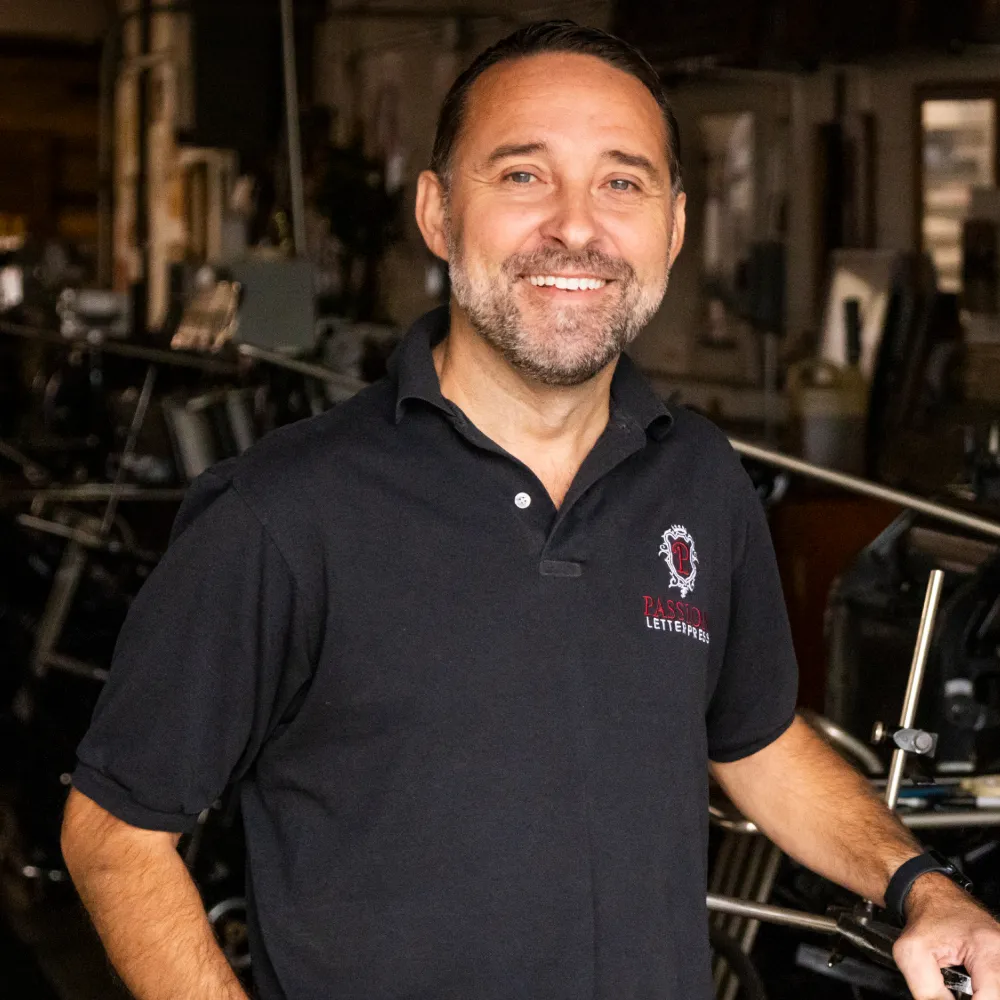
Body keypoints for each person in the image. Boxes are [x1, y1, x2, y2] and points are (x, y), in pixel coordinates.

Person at [62, 20, 1000, 1000]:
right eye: (522, 175)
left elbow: (755, 739)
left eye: (621, 182)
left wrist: (921, 882)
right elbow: (115, 833)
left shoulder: (698, 478)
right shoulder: (285, 511)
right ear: (435, 211)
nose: (577, 226)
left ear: (674, 227)